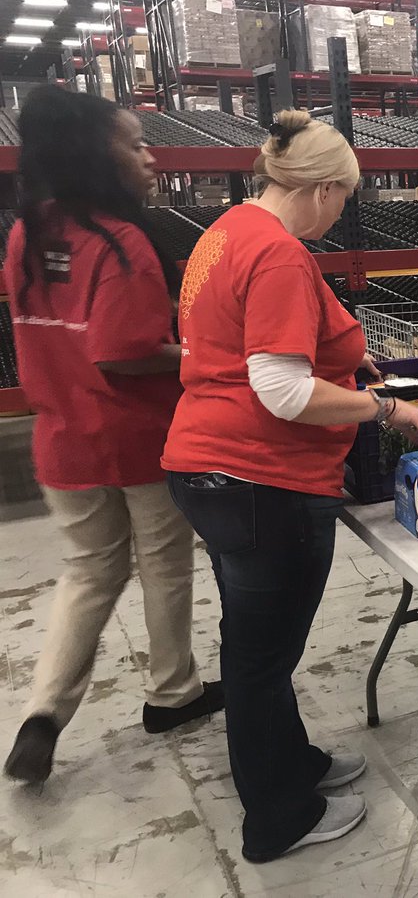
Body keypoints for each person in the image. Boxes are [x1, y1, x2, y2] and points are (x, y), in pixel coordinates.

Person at [160, 110, 418, 863]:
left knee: (257, 648)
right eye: (344, 197)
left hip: (210, 470)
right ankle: (277, 819)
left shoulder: (226, 233)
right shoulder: (280, 254)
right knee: (260, 658)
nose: (342, 212)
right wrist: (383, 406)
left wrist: (352, 370)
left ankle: (293, 767)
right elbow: (281, 390)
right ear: (318, 189)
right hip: (261, 480)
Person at [3, 88, 223, 785]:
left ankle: (43, 712)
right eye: (134, 145)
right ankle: (172, 693)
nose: (150, 157)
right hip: (135, 441)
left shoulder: (29, 232)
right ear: (98, 158)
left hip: (62, 441)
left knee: (89, 573)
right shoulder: (121, 243)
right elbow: (122, 349)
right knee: (164, 566)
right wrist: (201, 357)